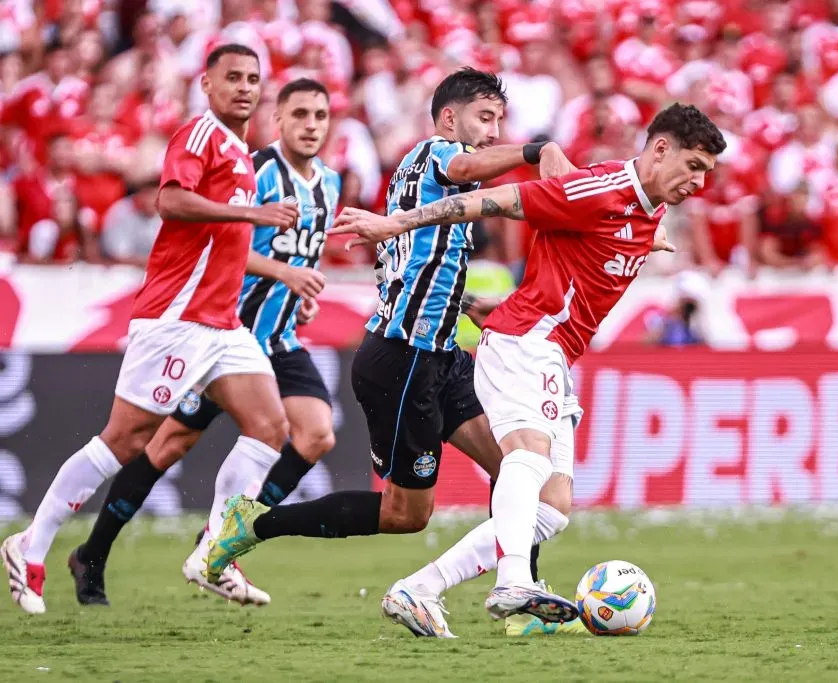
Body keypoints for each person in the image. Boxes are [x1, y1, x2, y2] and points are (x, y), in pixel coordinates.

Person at [203, 68, 582, 638]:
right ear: (450, 119)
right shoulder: (437, 153)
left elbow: (439, 244)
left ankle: (523, 601)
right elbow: (468, 167)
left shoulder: (438, 182)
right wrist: (535, 150)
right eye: (486, 118)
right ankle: (254, 523)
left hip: (441, 352)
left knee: (516, 472)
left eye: (501, 121)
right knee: (407, 515)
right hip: (401, 359)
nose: (493, 131)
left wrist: (469, 308)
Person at [329, 103, 726, 636]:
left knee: (553, 508)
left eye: (706, 172)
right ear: (660, 149)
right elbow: (496, 201)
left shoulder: (646, 206)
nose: (698, 182)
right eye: (694, 165)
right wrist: (395, 222)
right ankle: (514, 579)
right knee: (527, 457)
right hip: (527, 341)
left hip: (553, 351)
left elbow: (590, 237)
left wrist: (641, 239)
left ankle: (419, 588)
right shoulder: (599, 189)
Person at [0, 43, 301, 615]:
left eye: (253, 78)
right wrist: (250, 214)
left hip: (221, 324)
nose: (244, 87)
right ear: (207, 86)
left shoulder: (240, 150)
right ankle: (30, 546)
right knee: (125, 440)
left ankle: (213, 555)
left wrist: (282, 271)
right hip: (175, 319)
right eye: (231, 77)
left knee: (269, 426)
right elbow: (170, 201)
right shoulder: (200, 134)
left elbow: (226, 249)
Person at [65, 77, 339, 608]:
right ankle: (92, 555)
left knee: (316, 434)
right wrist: (284, 273)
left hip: (277, 340)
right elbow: (220, 246)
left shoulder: (328, 183)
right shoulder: (256, 171)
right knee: (166, 445)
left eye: (320, 115)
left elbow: (298, 256)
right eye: (300, 114)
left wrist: (299, 291)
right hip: (220, 338)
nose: (311, 125)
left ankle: (220, 539)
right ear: (276, 120)